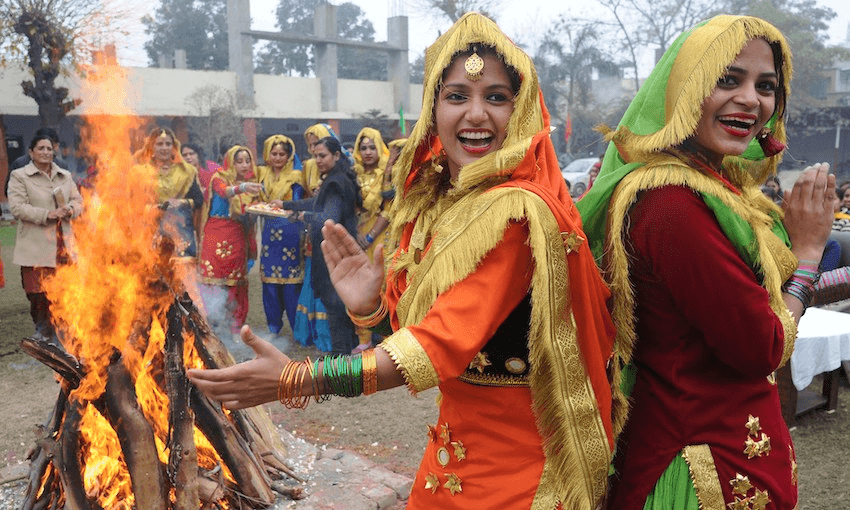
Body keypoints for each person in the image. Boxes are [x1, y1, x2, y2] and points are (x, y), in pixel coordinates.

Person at [189, 13, 616, 509]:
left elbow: (437, 347)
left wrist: (299, 379)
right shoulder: (444, 204)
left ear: (520, 111)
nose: (476, 114)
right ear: (433, 109)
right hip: (452, 461)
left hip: (517, 479)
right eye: (457, 95)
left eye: (496, 97)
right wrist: (371, 308)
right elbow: (444, 324)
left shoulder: (515, 212)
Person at [577, 15, 835, 509]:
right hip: (699, 472)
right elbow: (762, 346)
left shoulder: (715, 188)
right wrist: (806, 255)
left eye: (766, 86)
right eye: (727, 79)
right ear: (682, 89)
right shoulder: (672, 202)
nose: (751, 100)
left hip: (723, 453)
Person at [280, 136, 361, 356]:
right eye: (315, 156)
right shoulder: (336, 178)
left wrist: (301, 216)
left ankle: (340, 356)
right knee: (337, 303)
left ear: (336, 155)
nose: (318, 160)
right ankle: (344, 354)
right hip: (336, 249)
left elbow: (328, 217)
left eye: (322, 155)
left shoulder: (336, 182)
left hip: (333, 252)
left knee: (334, 304)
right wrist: (285, 204)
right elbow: (317, 204)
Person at [8, 132, 83, 341]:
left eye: (49, 149)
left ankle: (65, 327)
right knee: (37, 290)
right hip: (36, 242)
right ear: (31, 152)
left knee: (65, 286)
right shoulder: (20, 176)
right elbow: (17, 207)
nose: (46, 152)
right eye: (41, 148)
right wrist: (47, 215)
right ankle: (42, 328)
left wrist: (70, 209)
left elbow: (79, 201)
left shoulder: (65, 175)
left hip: (63, 241)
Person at [198, 145, 263, 339]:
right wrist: (241, 188)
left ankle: (235, 327)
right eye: (239, 161)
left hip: (237, 235)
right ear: (229, 162)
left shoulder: (252, 183)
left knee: (235, 281)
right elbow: (223, 191)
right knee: (213, 280)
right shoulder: (220, 178)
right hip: (216, 234)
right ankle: (212, 326)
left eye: (247, 160)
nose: (244, 165)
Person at [257, 135, 306, 347]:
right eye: (274, 153)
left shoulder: (296, 176)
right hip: (269, 233)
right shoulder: (261, 174)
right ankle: (273, 327)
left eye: (282, 154)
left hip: (290, 231)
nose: (277, 158)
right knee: (269, 281)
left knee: (291, 283)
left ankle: (296, 327)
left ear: (289, 156)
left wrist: (282, 205)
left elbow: (297, 203)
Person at [133, 128, 203, 262]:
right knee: (150, 275)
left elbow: (198, 199)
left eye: (168, 144)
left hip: (179, 231)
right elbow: (133, 204)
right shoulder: (139, 172)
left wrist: (180, 203)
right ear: (151, 147)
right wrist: (153, 208)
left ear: (174, 147)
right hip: (149, 229)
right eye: (159, 144)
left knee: (180, 276)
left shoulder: (186, 172)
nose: (164, 148)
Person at [351, 127, 393, 353]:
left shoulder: (387, 172)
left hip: (379, 238)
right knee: (359, 285)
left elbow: (389, 209)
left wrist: (368, 236)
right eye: (363, 148)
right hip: (354, 237)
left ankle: (386, 336)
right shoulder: (352, 173)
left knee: (382, 285)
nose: (367, 152)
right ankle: (363, 338)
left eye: (372, 147)